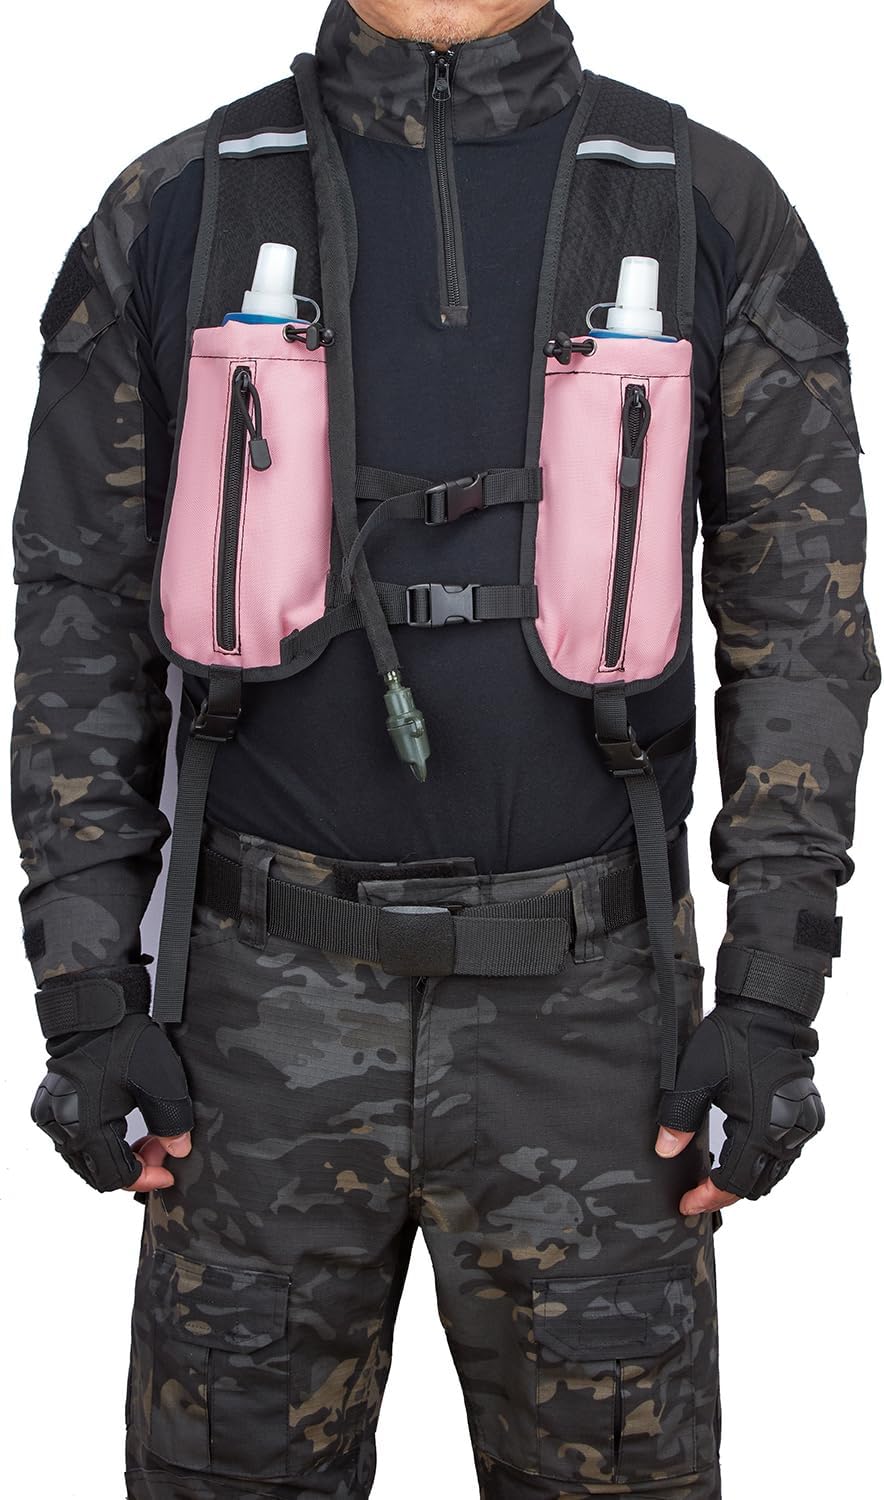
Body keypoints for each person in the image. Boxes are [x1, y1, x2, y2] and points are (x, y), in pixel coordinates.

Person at [10, 1, 877, 1496]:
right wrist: (85, 991)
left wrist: (772, 997)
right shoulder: (177, 206)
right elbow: (76, 613)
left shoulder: (704, 204)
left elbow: (802, 623)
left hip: (601, 1040)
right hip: (250, 1033)